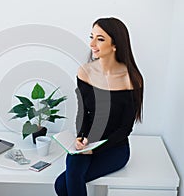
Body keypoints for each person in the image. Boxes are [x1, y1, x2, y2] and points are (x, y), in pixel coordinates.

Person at [54, 17, 144, 196]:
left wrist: (96, 149)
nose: (92, 44)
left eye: (100, 39)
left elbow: (125, 128)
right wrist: (81, 137)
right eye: (91, 37)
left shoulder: (131, 79)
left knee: (62, 185)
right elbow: (84, 114)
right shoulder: (84, 73)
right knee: (62, 184)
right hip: (86, 143)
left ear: (115, 44)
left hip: (115, 148)